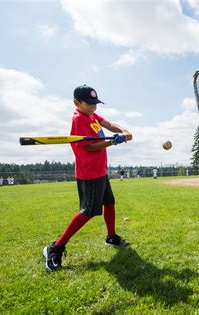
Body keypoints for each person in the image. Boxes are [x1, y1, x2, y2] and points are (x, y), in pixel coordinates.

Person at [43, 84, 133, 272]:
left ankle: (111, 237)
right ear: (77, 102)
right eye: (89, 103)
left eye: (95, 103)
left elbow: (108, 124)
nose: (93, 106)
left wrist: (123, 130)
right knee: (89, 210)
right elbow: (89, 147)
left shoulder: (92, 115)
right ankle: (55, 247)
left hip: (100, 170)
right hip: (89, 172)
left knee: (109, 202)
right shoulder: (78, 119)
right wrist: (112, 141)